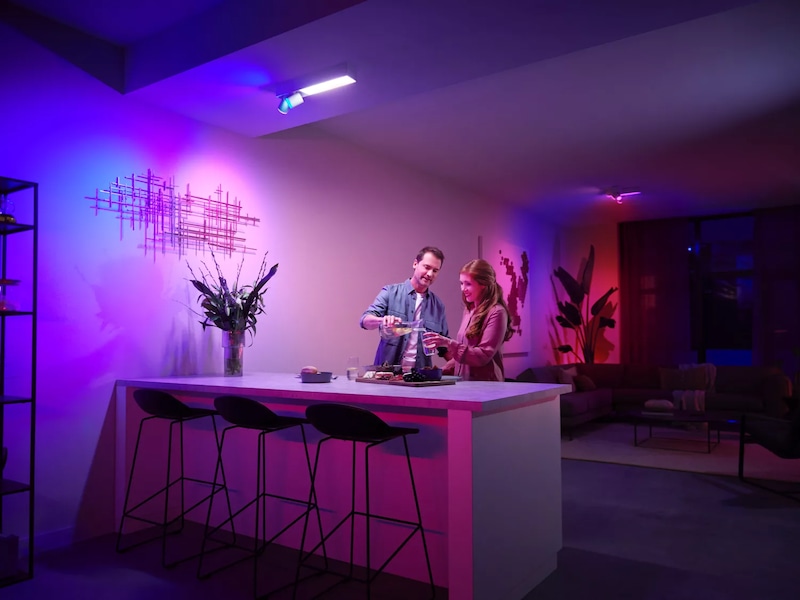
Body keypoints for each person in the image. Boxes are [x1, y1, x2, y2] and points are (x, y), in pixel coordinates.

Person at [422, 258, 513, 381]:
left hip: (487, 386)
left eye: (468, 284)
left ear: (483, 284)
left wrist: (448, 343)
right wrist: (439, 371)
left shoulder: (497, 312)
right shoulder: (469, 310)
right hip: (466, 384)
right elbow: (465, 355)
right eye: (461, 283)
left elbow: (482, 356)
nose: (463, 289)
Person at [360, 247, 449, 371]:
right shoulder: (390, 292)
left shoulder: (438, 306)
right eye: (427, 267)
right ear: (415, 264)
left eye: (435, 270)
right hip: (387, 375)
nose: (430, 274)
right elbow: (364, 321)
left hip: (419, 377)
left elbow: (444, 347)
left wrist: (461, 364)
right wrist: (382, 320)